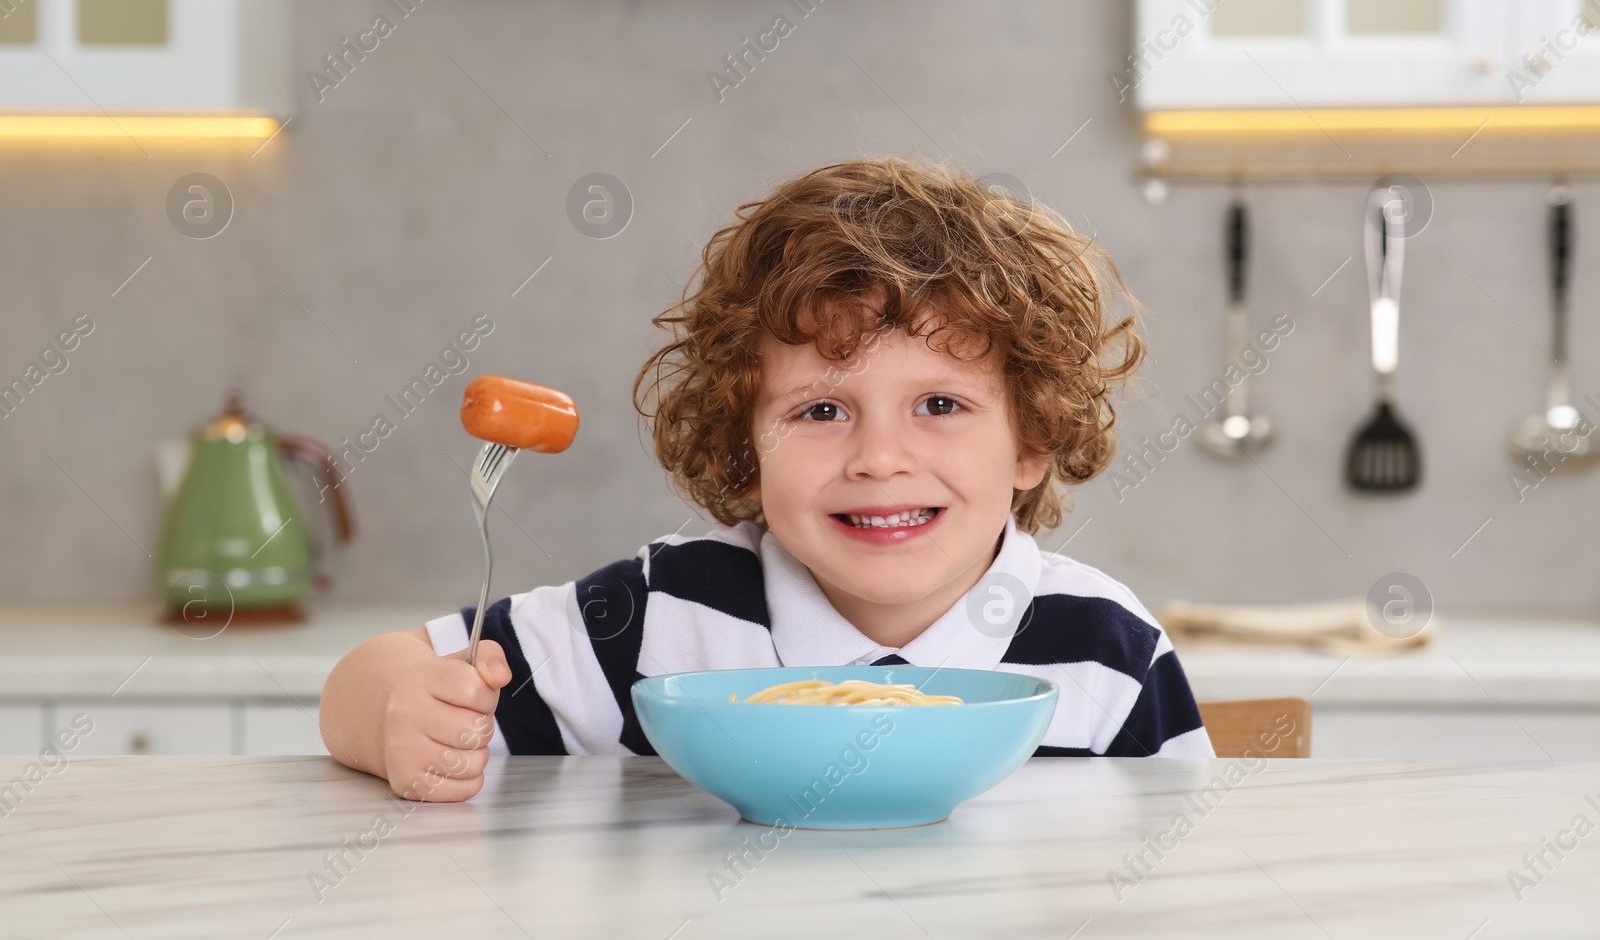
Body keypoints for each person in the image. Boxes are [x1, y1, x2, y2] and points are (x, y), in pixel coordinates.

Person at [320, 157, 1214, 802]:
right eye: (821, 411)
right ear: (745, 449)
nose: (879, 458)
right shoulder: (663, 614)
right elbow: (373, 673)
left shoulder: (1108, 652)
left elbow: (1184, 868)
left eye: (939, 404)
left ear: (1032, 440)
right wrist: (403, 710)